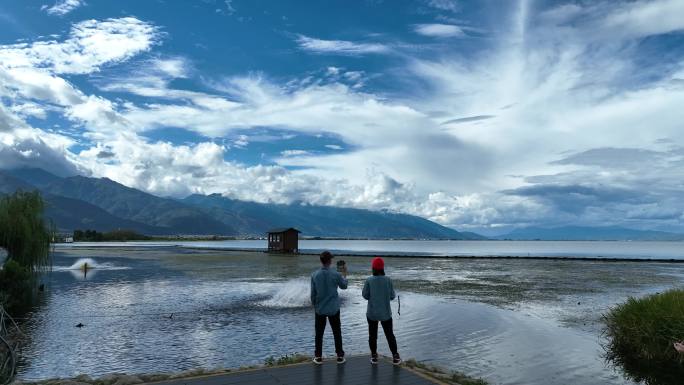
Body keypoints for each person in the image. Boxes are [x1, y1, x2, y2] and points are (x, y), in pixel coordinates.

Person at [310, 251, 348, 364]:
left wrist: (315, 305)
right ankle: (340, 356)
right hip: (333, 308)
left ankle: (318, 357)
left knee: (319, 333)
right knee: (337, 332)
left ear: (321, 261)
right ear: (330, 261)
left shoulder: (314, 275)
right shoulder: (336, 274)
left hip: (320, 308)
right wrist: (344, 274)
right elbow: (344, 286)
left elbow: (313, 294)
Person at [362, 257, 401, 365]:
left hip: (372, 313)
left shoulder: (369, 280)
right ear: (382, 268)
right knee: (390, 335)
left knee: (372, 336)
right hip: (385, 313)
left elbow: (365, 295)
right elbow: (392, 296)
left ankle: (374, 357)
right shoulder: (388, 280)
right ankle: (395, 357)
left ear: (373, 268)